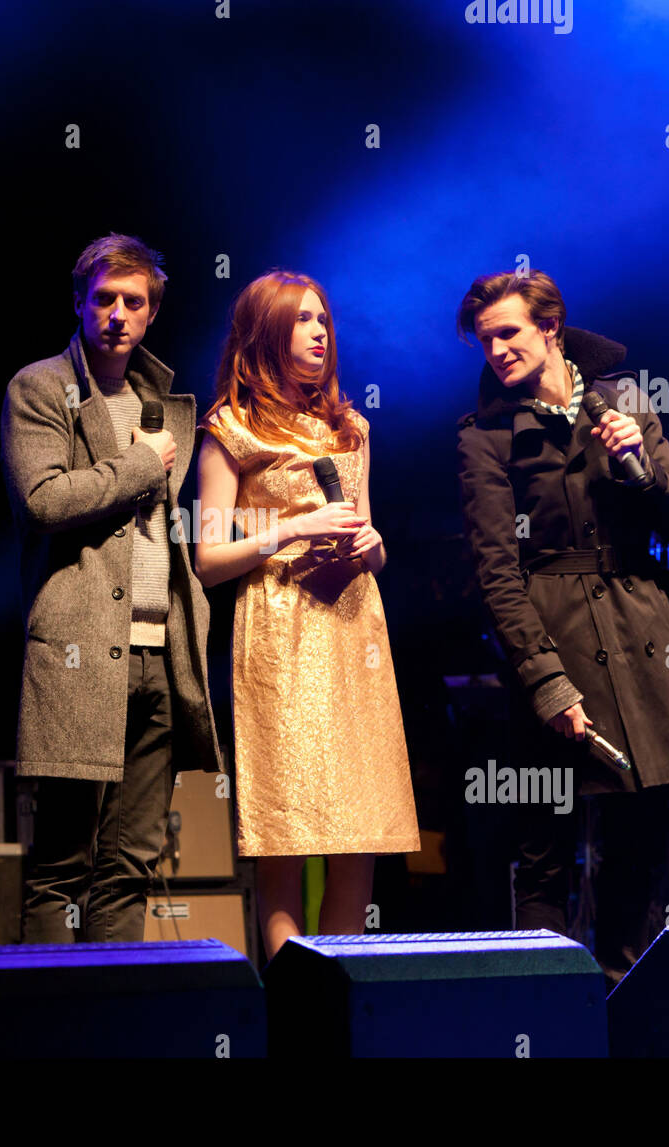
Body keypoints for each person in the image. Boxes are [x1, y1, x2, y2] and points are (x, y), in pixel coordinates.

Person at [455, 269, 669, 984]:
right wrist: (544, 680)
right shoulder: (485, 437)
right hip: (556, 642)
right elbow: (496, 575)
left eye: (509, 332)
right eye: (486, 340)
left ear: (550, 328)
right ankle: (552, 1014)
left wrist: (639, 467)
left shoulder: (625, 401)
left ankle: (627, 1005)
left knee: (641, 847)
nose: (498, 349)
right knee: (544, 848)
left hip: (641, 639)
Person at [2, 234, 223, 943]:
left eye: (134, 301)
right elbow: (43, 501)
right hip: (78, 649)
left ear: (151, 313)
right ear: (78, 302)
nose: (118, 314)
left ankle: (112, 1029)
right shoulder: (39, 387)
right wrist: (136, 466)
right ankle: (49, 1031)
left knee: (131, 865)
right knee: (61, 867)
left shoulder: (165, 404)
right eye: (104, 298)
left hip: (162, 654)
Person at [195, 270, 419, 961]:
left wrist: (375, 546)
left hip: (355, 628)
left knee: (361, 823)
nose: (319, 333)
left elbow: (367, 534)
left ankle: (343, 984)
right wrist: (290, 529)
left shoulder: (351, 428)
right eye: (301, 320)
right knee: (285, 826)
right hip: (279, 627)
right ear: (266, 332)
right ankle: (294, 997)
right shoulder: (230, 427)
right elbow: (206, 556)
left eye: (324, 320)